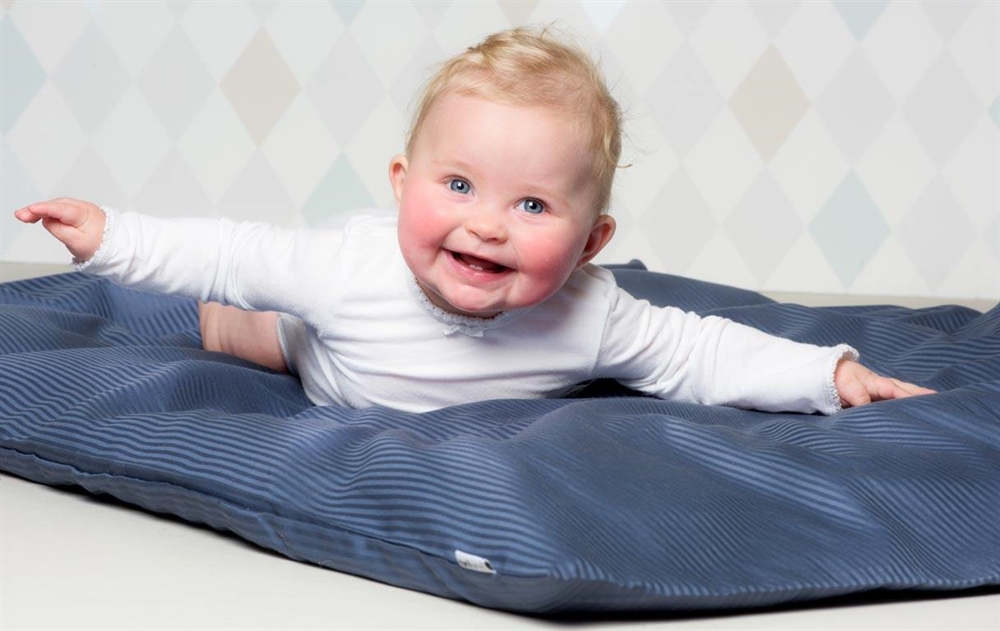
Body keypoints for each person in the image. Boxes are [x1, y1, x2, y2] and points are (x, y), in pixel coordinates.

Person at [13, 26, 933, 414]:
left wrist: (827, 374)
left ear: (591, 245)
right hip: (323, 342)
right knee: (246, 313)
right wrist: (111, 235)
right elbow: (225, 252)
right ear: (402, 182)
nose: (487, 225)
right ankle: (243, 327)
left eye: (532, 205)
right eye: (458, 185)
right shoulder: (344, 270)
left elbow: (702, 353)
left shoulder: (590, 311)